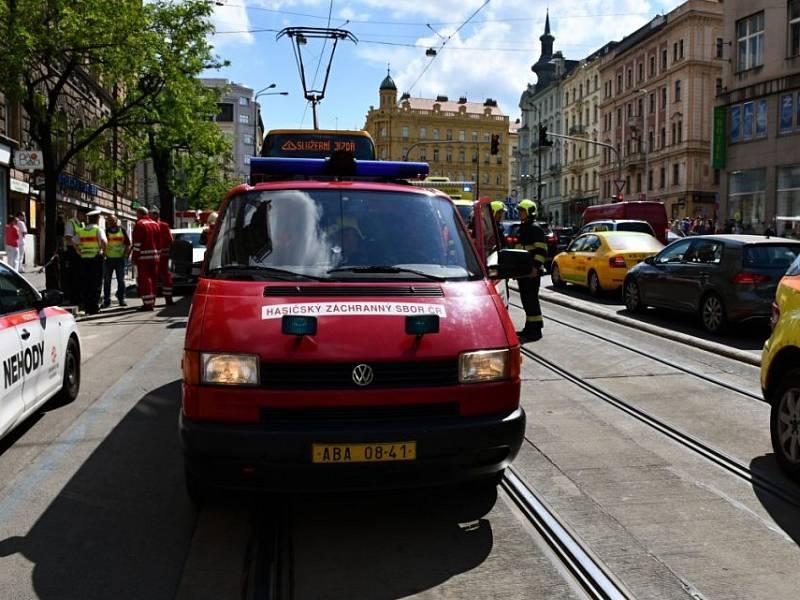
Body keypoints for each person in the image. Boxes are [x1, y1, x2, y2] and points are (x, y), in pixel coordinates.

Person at [515, 199, 547, 342]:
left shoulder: (535, 228)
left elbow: (542, 251)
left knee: (531, 301)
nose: (519, 214)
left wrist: (535, 267)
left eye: (522, 211)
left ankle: (535, 330)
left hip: (531, 272)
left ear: (530, 212)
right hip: (524, 272)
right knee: (526, 301)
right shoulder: (524, 228)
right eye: (519, 211)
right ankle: (529, 327)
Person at [75, 210, 107, 315]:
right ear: (97, 219)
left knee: (86, 283)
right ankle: (94, 308)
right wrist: (103, 252)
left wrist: (79, 251)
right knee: (96, 284)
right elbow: (104, 242)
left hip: (84, 260)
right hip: (96, 259)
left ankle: (87, 307)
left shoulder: (82, 230)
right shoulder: (98, 229)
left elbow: (74, 241)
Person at [132, 206, 161, 311]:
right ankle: (152, 301)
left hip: (143, 258)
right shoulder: (155, 224)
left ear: (139, 214)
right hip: (155, 257)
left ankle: (148, 304)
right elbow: (159, 242)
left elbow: (137, 243)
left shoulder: (139, 224)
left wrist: (134, 257)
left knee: (144, 280)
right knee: (153, 279)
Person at [102, 214, 131, 308]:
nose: (112, 222)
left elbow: (128, 244)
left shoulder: (122, 230)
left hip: (120, 259)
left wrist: (126, 254)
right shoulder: (105, 232)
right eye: (110, 220)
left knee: (121, 281)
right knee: (107, 281)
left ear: (116, 220)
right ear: (108, 222)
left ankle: (121, 299)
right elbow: (102, 244)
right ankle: (107, 301)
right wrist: (104, 255)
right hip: (108, 259)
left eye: (113, 220)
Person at [150, 206, 174, 306]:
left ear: (155, 215)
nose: (149, 217)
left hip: (156, 256)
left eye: (151, 215)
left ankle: (152, 302)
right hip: (163, 255)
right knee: (165, 278)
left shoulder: (151, 225)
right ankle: (168, 299)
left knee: (154, 278)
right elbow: (170, 240)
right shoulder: (164, 225)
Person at [62, 212, 84, 305]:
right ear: (79, 214)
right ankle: (72, 298)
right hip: (71, 252)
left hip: (79, 252)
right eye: (84, 215)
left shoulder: (82, 224)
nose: (85, 217)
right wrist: (76, 248)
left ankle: (78, 297)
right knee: (72, 276)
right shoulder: (71, 222)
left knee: (79, 276)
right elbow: (68, 238)